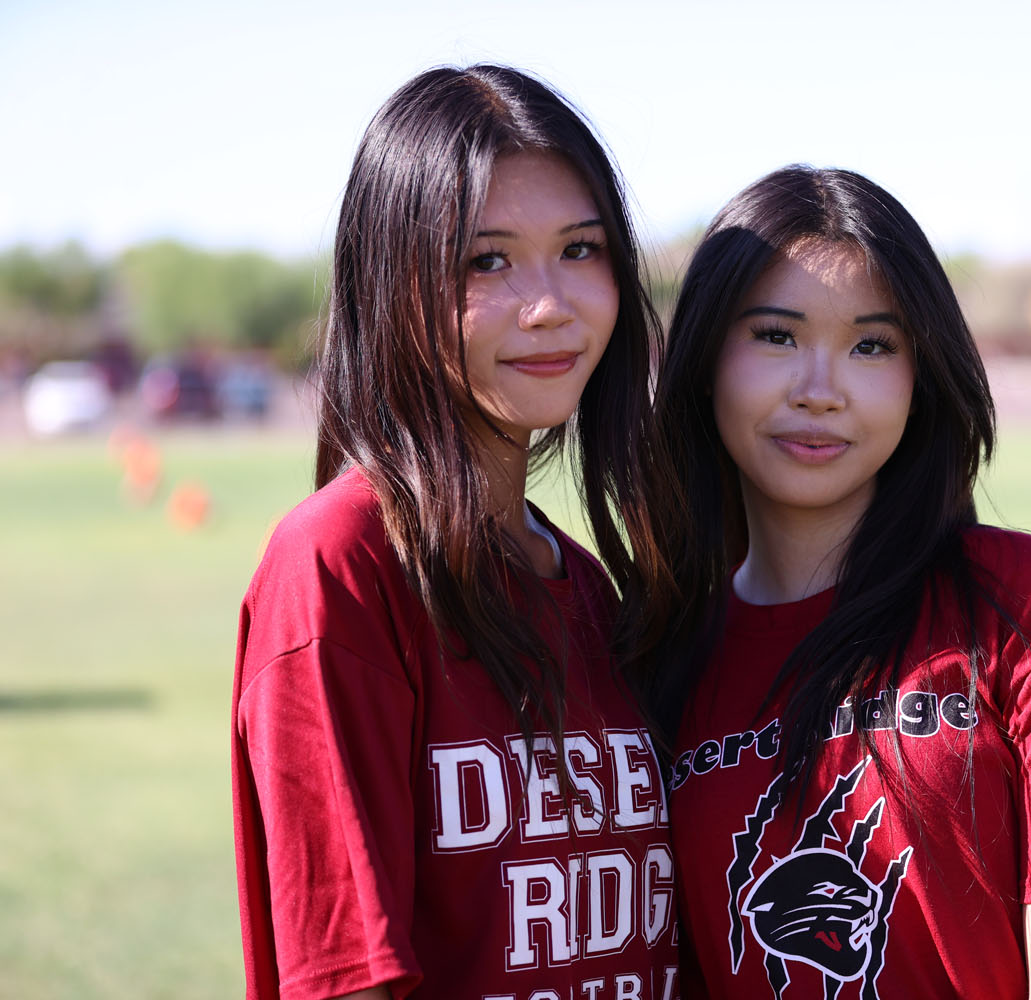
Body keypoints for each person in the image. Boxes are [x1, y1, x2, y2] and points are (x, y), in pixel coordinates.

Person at [621, 166, 1031, 999]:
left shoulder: (1028, 605)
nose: (820, 391)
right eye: (777, 336)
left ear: (919, 375)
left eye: (871, 345)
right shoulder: (658, 655)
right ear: (708, 358)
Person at [230, 65, 677, 1000]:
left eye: (582, 248)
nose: (549, 301)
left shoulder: (588, 586)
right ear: (393, 282)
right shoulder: (341, 565)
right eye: (487, 261)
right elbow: (347, 974)